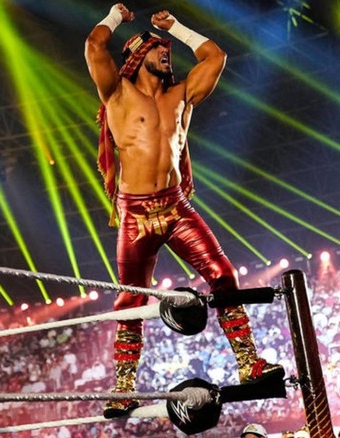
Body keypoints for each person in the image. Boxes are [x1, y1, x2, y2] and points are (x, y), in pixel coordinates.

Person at [84, 3, 283, 418]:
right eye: (158, 48)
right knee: (131, 301)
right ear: (136, 55)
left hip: (175, 205)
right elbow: (94, 44)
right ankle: (123, 388)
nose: (166, 52)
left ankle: (249, 362)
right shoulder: (116, 93)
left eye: (167, 48)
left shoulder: (182, 96)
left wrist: (177, 28)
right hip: (136, 213)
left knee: (224, 275)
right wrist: (115, 17)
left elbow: (216, 57)